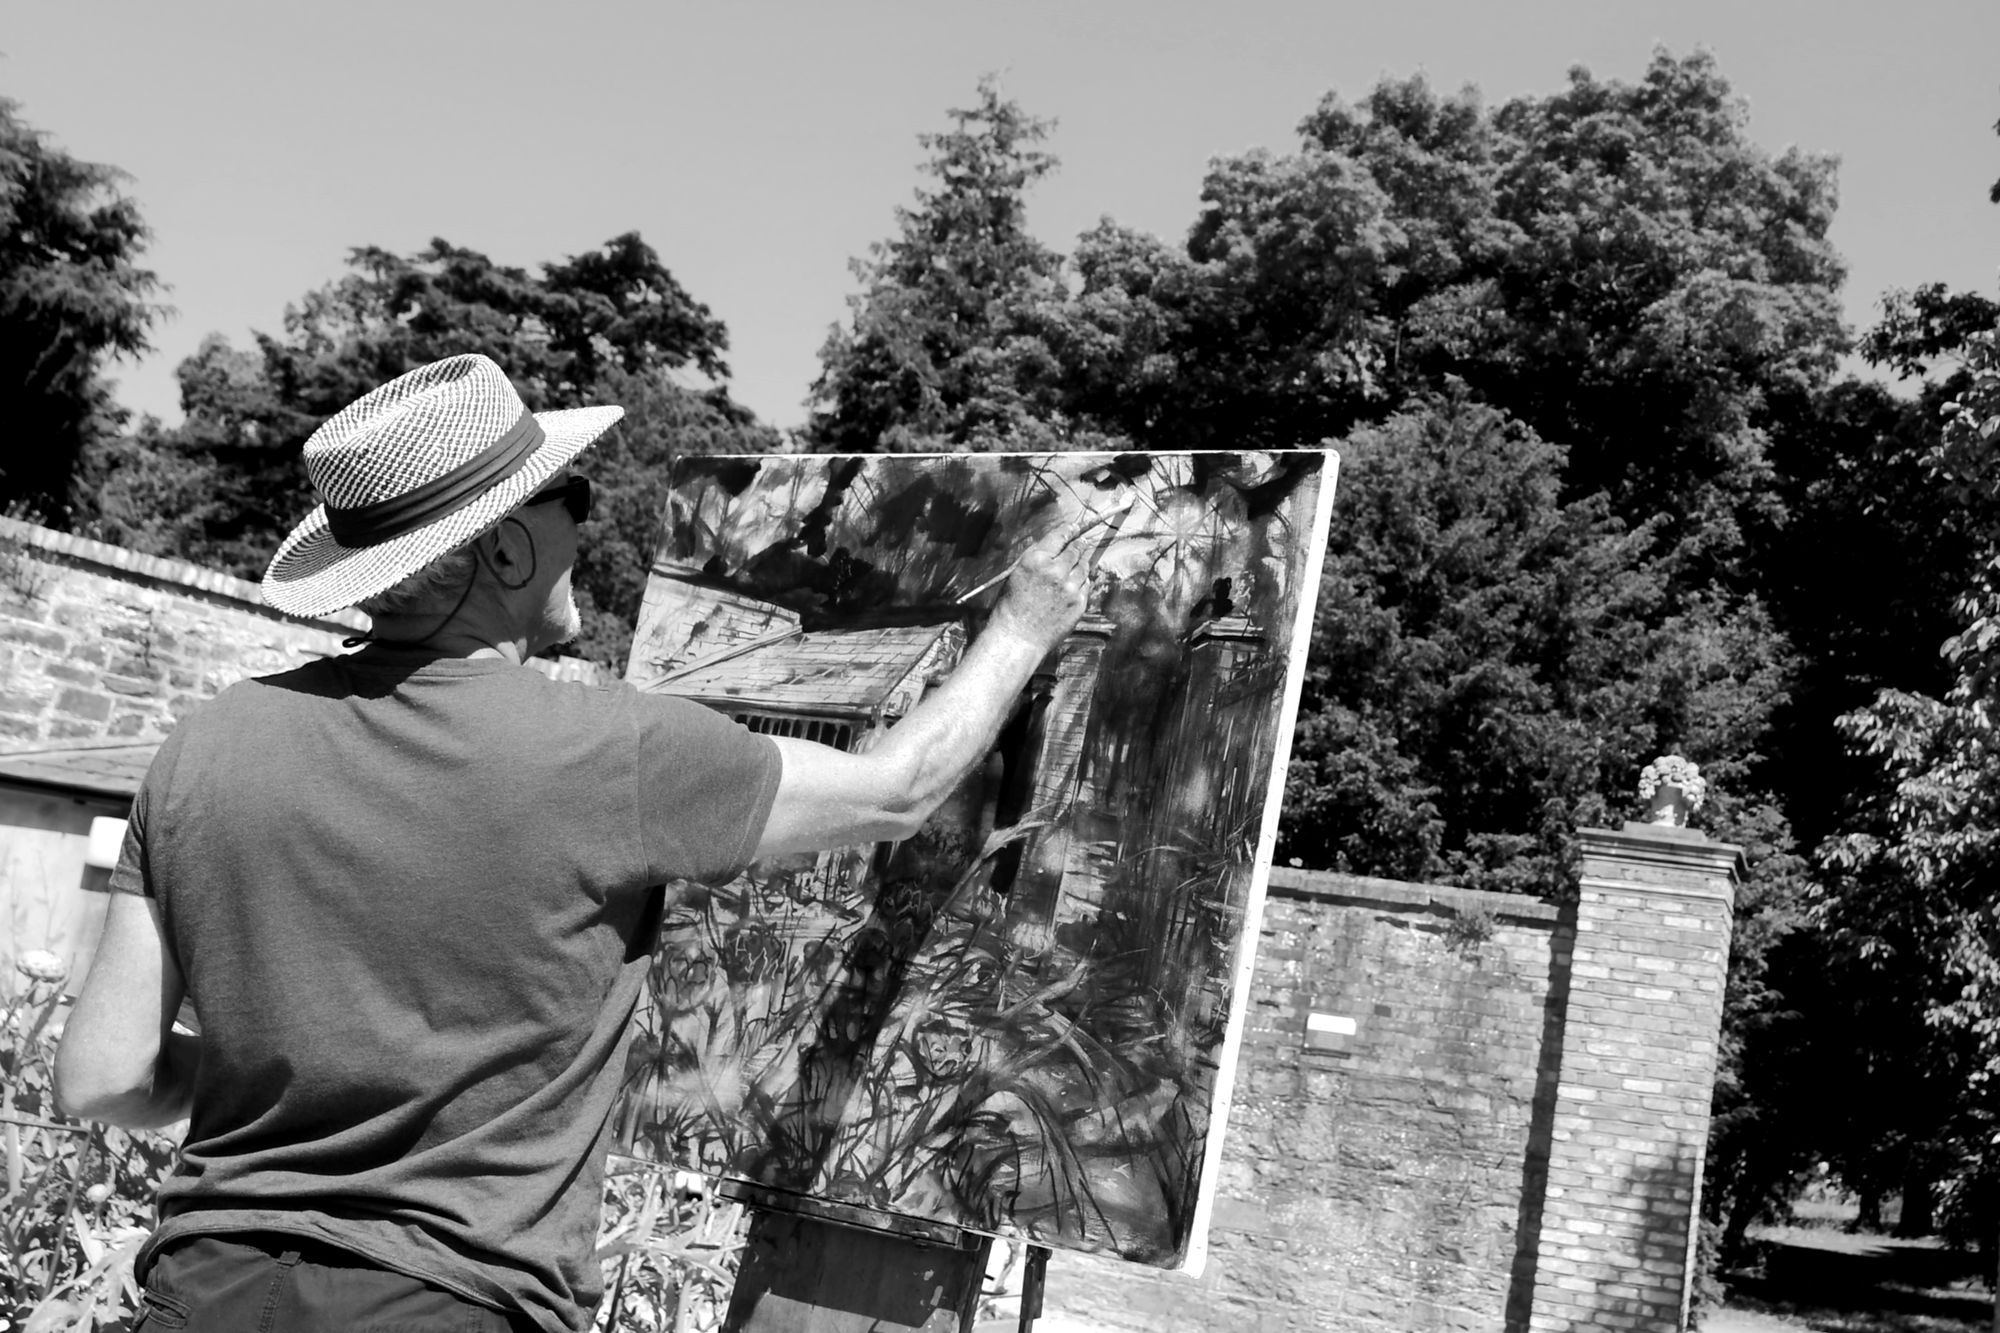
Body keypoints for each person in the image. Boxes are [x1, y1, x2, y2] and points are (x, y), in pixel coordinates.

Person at [52, 353, 1086, 1333]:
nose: (586, 526)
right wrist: (1024, 630)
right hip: (447, 1302)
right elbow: (898, 790)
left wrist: (283, 1079)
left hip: (203, 1290)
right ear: (505, 549)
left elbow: (102, 1076)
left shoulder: (208, 743)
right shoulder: (610, 752)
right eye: (573, 500)